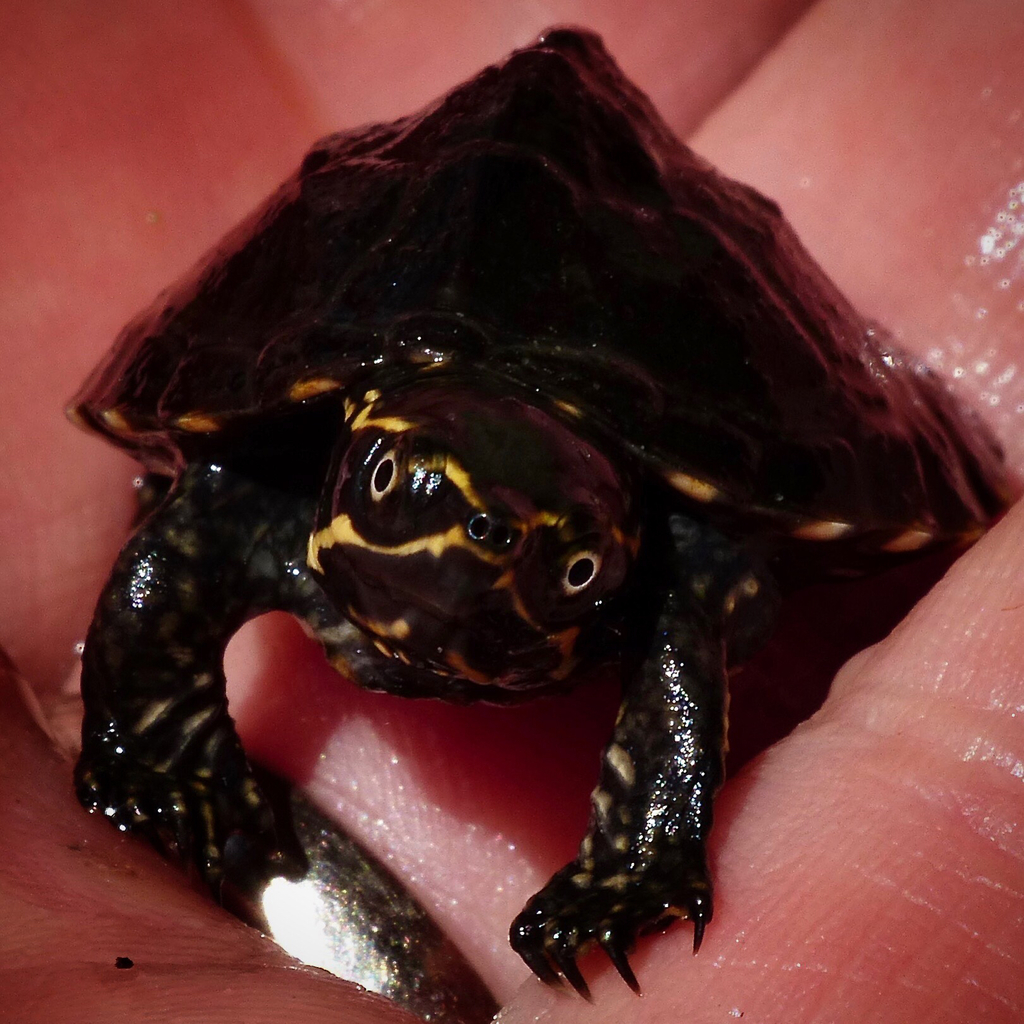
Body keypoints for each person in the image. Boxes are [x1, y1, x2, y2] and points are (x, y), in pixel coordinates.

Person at [1, 3, 1021, 1020]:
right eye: (396, 487)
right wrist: (148, 743)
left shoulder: (659, 564)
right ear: (346, 460)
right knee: (204, 501)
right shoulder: (262, 480)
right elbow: (172, 560)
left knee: (697, 587)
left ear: (608, 556)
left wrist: (641, 856)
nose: (463, 545)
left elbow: (682, 624)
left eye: (565, 560)